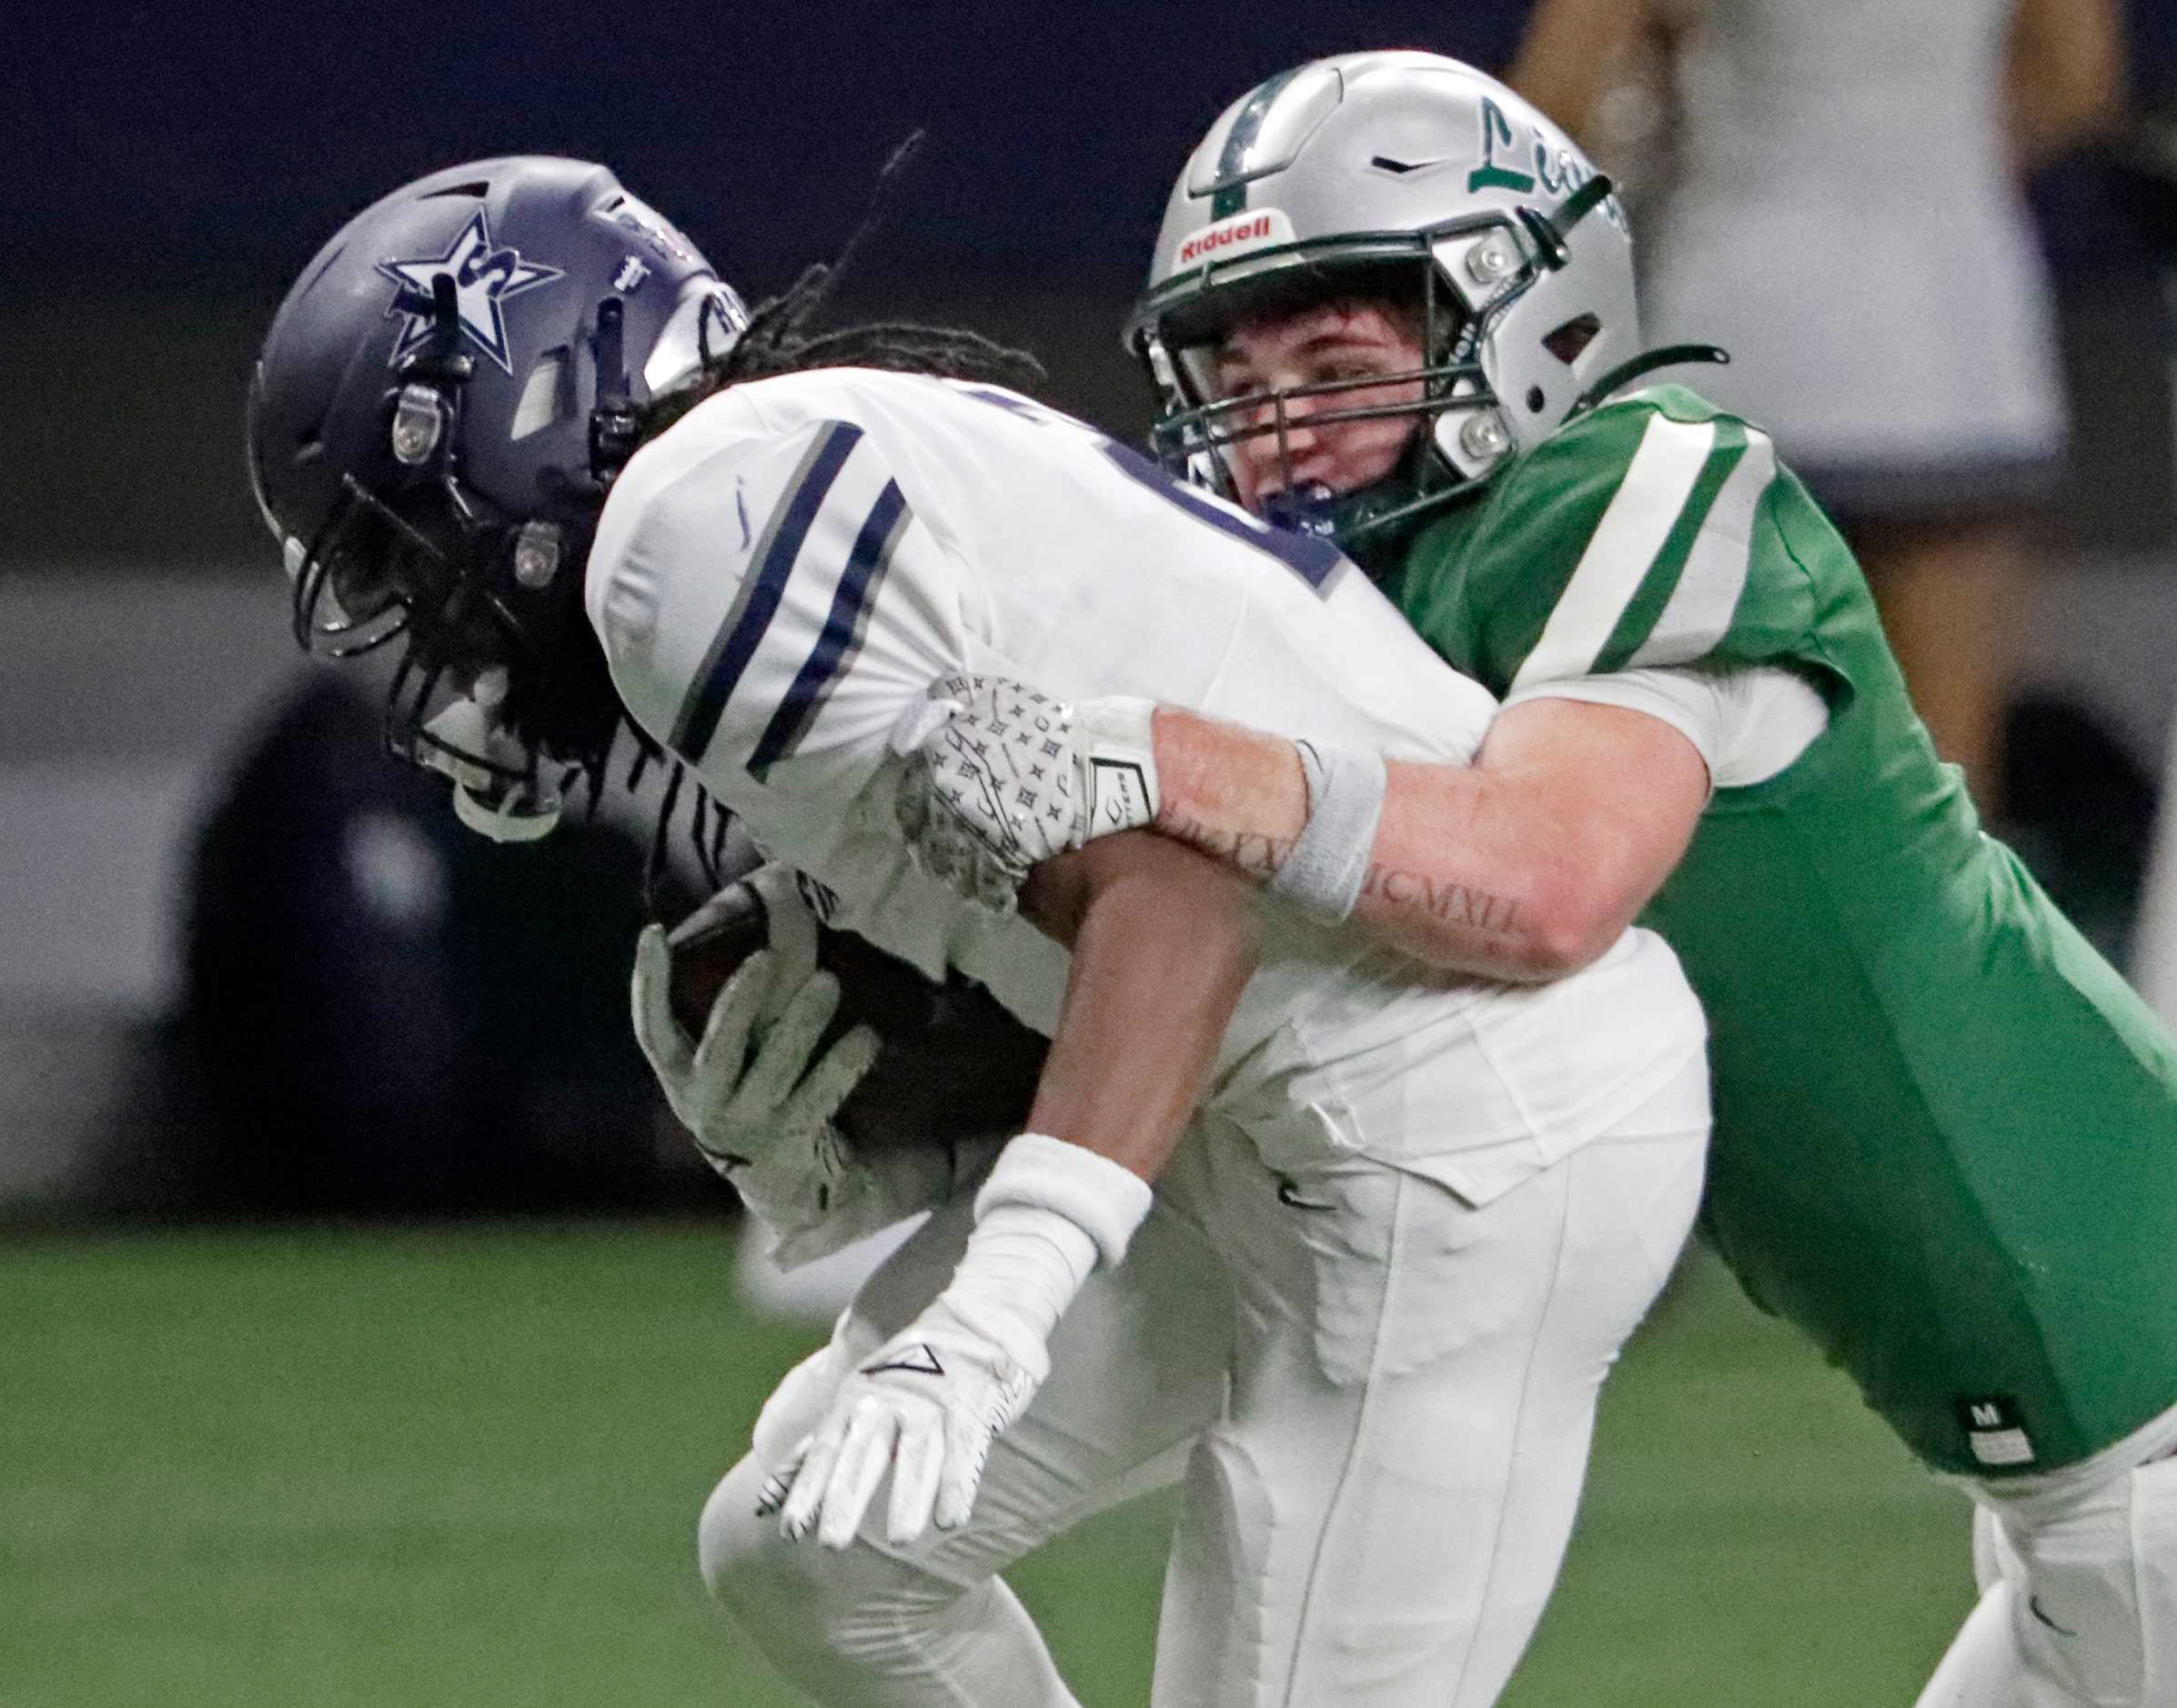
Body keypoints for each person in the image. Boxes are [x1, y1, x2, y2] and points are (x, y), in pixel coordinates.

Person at [245, 155, 1712, 1705]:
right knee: (811, 1552)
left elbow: (1172, 893)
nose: (415, 619)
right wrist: (897, 1140)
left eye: (401, 547)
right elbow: (1097, 911)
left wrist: (999, 1300)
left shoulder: (687, 536)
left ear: (517, 422)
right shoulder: (768, 483)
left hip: (1461, 1128)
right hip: (1281, 1089)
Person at [891, 53, 2177, 1708]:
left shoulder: (1642, 480)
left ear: (1526, 318)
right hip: (2080, 1471)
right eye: (1233, 363)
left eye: (1335, 359)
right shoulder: (1362, 593)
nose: (1274, 426)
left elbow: (1550, 875)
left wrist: (1154, 750)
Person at [1510, 0, 2126, 814]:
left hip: (1734, 355)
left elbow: (1559, 98)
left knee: (1694, 798)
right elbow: (2076, 83)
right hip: (1955, 357)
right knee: (1944, 805)